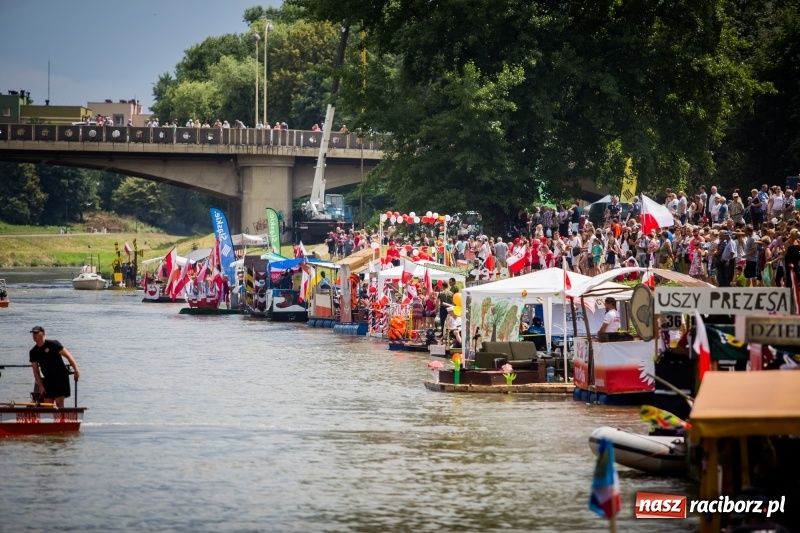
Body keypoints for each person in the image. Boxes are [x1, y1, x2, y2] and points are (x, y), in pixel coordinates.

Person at [29, 326, 80, 408]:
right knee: (47, 405)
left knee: (59, 403)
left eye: (36, 333)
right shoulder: (33, 352)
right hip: (48, 379)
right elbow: (35, 371)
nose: (34, 335)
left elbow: (68, 356)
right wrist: (40, 386)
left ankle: (62, 416)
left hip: (60, 377)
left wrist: (76, 370)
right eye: (33, 333)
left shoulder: (53, 344)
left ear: (43, 334)